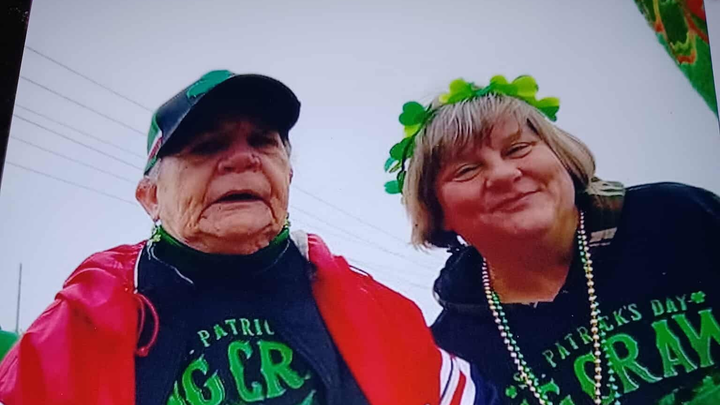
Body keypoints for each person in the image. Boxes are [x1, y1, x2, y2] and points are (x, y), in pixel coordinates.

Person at [0, 70, 491, 405]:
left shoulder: (379, 311)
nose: (242, 158)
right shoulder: (74, 330)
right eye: (206, 146)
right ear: (150, 197)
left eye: (262, 141)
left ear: (287, 175)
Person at [384, 75, 720, 404]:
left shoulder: (679, 219)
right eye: (466, 170)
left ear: (561, 156)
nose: (503, 174)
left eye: (517, 149)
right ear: (437, 211)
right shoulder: (455, 352)